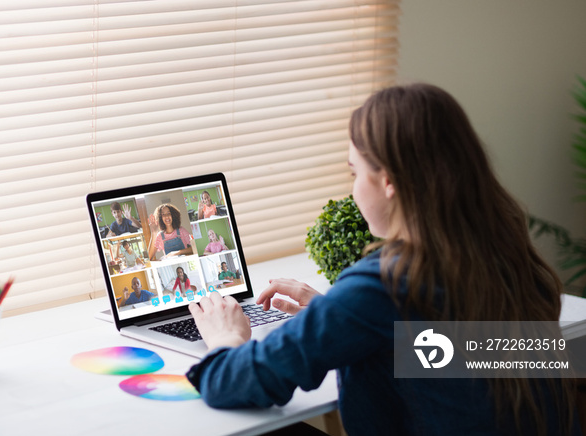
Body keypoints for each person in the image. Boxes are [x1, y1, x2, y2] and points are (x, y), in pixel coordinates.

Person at [185, 84, 579, 436]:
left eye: (355, 172)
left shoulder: (386, 283)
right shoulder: (507, 257)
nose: (353, 187)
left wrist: (226, 337)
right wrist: (339, 315)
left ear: (388, 181)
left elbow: (232, 382)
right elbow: (459, 358)